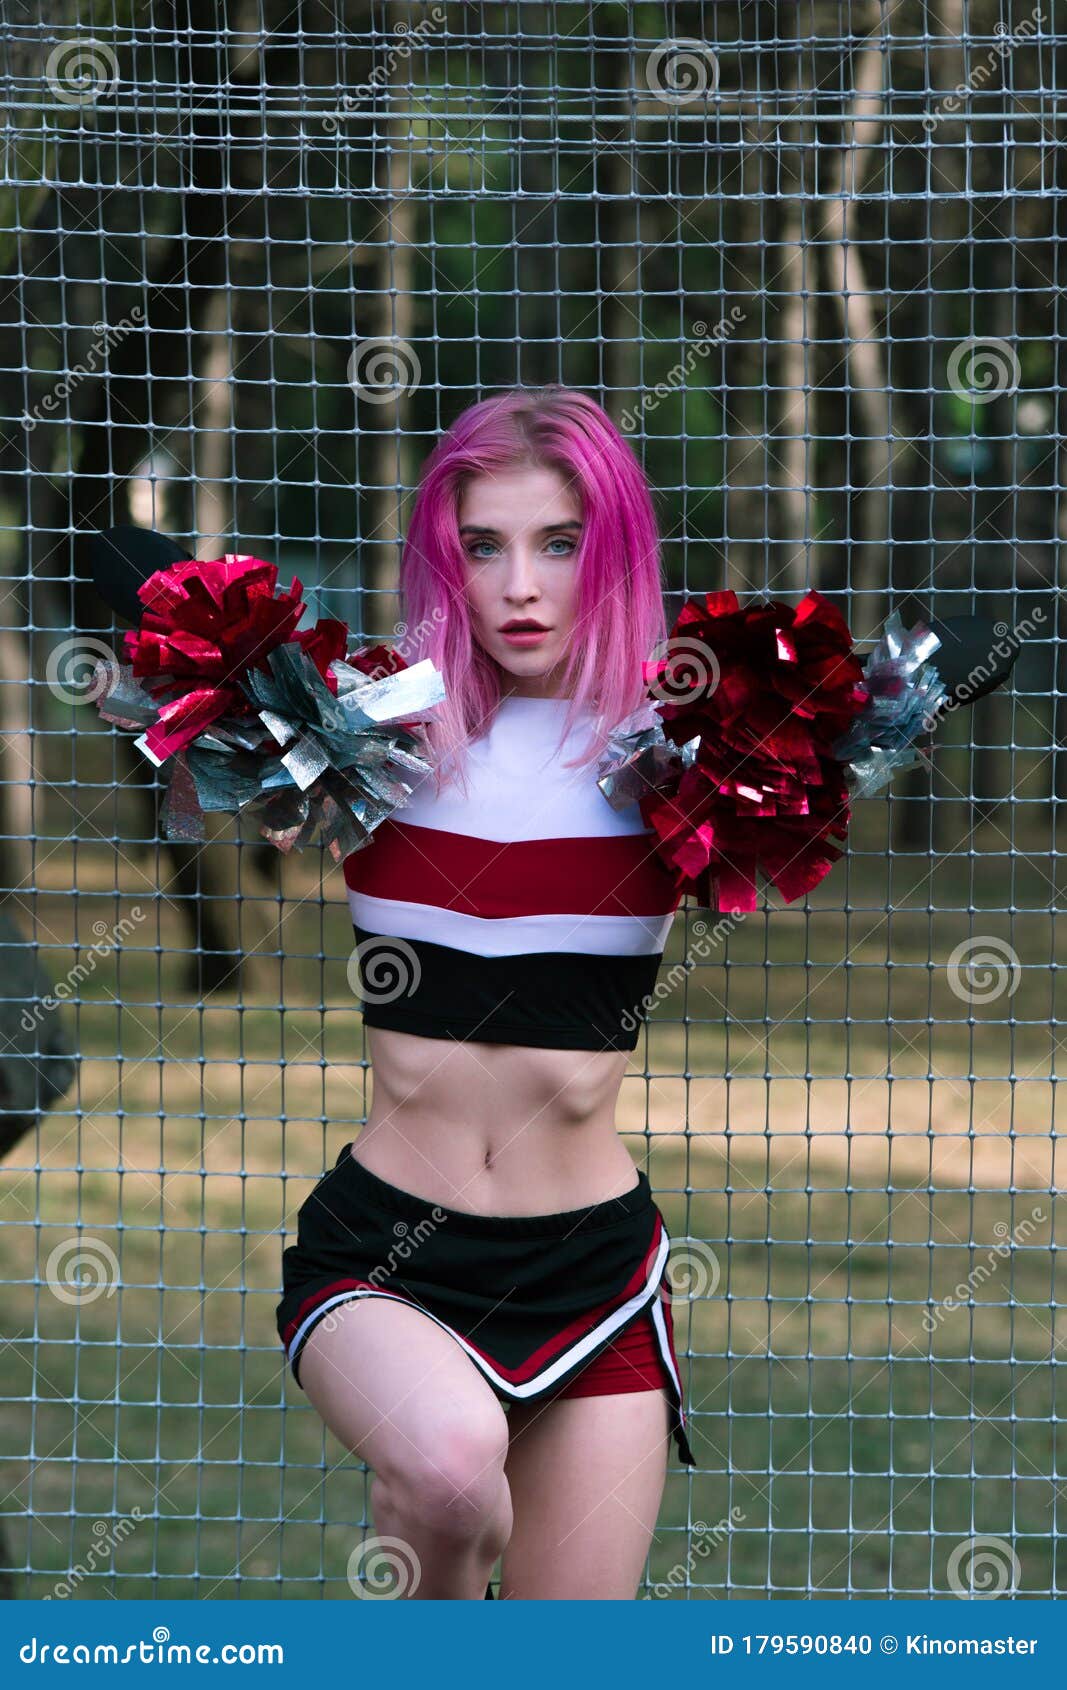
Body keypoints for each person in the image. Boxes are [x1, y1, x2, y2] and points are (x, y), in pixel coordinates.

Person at [274, 386, 698, 1600]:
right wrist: (152, 701)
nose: (520, 584)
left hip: (594, 1275)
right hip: (390, 1259)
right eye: (483, 546)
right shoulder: (369, 738)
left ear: (609, 553)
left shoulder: (676, 757)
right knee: (451, 1473)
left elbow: (860, 720)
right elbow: (192, 674)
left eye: (559, 544)